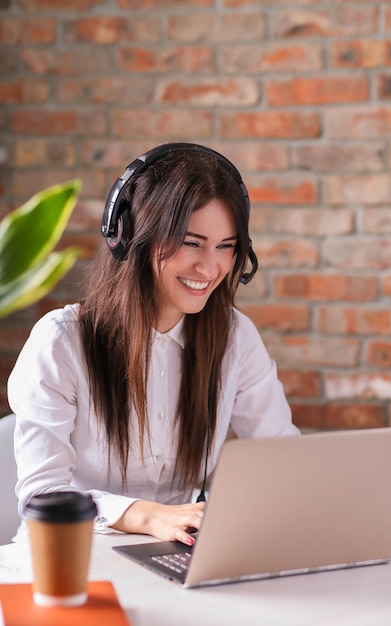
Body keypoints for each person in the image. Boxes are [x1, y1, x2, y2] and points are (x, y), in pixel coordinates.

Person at [8, 143, 299, 547]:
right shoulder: (61, 342)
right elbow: (42, 498)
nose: (210, 267)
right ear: (129, 237)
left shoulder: (233, 336)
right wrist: (146, 515)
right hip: (69, 556)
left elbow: (282, 457)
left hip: (178, 551)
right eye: (191, 242)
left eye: (226, 246)